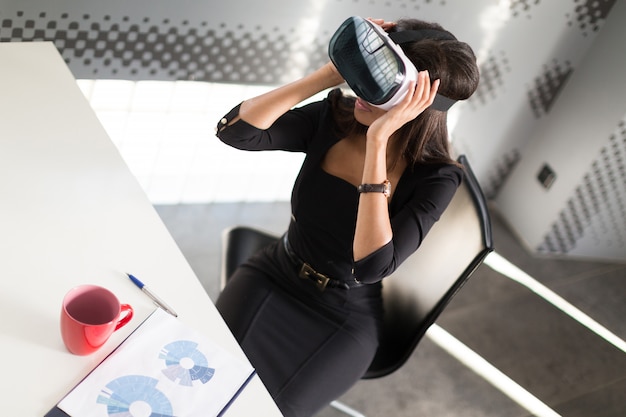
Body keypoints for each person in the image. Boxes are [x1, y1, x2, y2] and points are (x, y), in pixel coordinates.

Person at [214, 17, 479, 417]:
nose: (360, 92)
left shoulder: (437, 177)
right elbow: (237, 132)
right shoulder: (334, 117)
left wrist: (378, 142)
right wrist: (326, 76)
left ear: (417, 105)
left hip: (341, 317)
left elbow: (372, 265)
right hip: (275, 273)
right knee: (202, 372)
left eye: (380, 88)